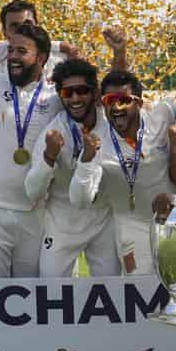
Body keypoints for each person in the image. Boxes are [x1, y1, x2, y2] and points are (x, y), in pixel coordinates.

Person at [0, 22, 63, 277]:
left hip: (34, 211)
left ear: (41, 58)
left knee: (31, 292)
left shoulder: (56, 97)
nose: (13, 57)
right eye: (10, 50)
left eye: (21, 51)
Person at [79, 69, 176, 275]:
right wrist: (86, 162)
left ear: (139, 103)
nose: (116, 107)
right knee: (139, 285)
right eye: (110, 100)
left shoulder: (160, 117)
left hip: (172, 217)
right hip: (130, 224)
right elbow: (82, 197)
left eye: (124, 100)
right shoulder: (97, 140)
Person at [29, 57, 122, 277]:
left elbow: (125, 91)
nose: (75, 98)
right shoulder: (53, 132)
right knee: (51, 288)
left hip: (103, 220)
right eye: (67, 93)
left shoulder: (112, 121)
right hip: (62, 223)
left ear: (95, 93)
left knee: (111, 288)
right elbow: (32, 192)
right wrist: (49, 156)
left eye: (81, 91)